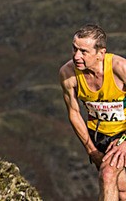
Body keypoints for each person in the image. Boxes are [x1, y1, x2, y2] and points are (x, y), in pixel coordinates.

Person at [60, 23, 126, 200]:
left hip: (124, 134)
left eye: (83, 51)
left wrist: (125, 142)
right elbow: (74, 113)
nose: (76, 56)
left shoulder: (120, 68)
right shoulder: (68, 74)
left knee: (108, 175)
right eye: (74, 49)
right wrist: (91, 150)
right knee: (120, 190)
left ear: (101, 53)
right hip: (101, 139)